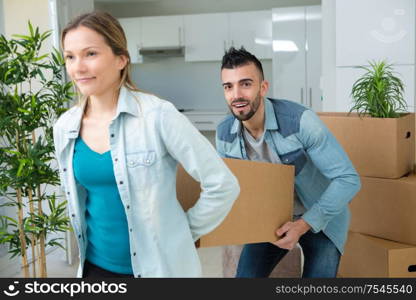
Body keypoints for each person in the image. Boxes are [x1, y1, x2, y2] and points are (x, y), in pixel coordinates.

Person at [53, 11, 240, 278]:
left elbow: (222, 184)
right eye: (70, 57)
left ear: (121, 59)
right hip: (95, 268)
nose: (78, 67)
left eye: (90, 54)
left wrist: (182, 232)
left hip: (159, 269)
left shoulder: (157, 116)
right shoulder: (64, 127)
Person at [216, 47, 361, 278]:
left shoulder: (301, 122)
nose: (236, 95)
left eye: (245, 84)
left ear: (263, 87)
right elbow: (233, 187)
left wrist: (303, 224)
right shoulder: (224, 133)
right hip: (272, 219)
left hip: (321, 216)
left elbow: (348, 180)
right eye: (228, 86)